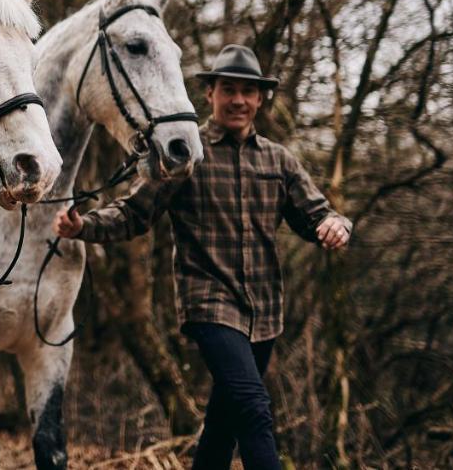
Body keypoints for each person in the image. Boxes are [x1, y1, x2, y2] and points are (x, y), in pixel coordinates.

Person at [54, 44, 351, 470]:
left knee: (222, 424)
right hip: (209, 304)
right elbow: (135, 213)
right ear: (209, 94)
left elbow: (318, 215)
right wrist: (84, 226)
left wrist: (337, 226)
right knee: (252, 407)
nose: (238, 100)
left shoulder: (279, 160)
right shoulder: (187, 154)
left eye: (248, 92)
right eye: (228, 89)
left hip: (264, 312)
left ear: (260, 98)